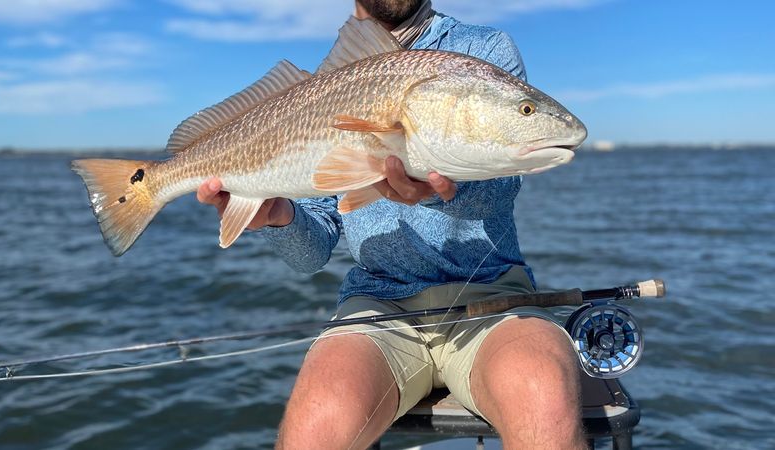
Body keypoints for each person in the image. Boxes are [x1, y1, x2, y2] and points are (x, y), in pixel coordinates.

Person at [198, 1, 586, 449]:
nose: (527, 115)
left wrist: (441, 191)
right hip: (378, 304)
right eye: (526, 110)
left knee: (544, 399)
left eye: (525, 110)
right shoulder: (326, 85)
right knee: (314, 431)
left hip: (492, 298)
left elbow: (500, 190)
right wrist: (278, 218)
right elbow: (312, 253)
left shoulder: (482, 48)